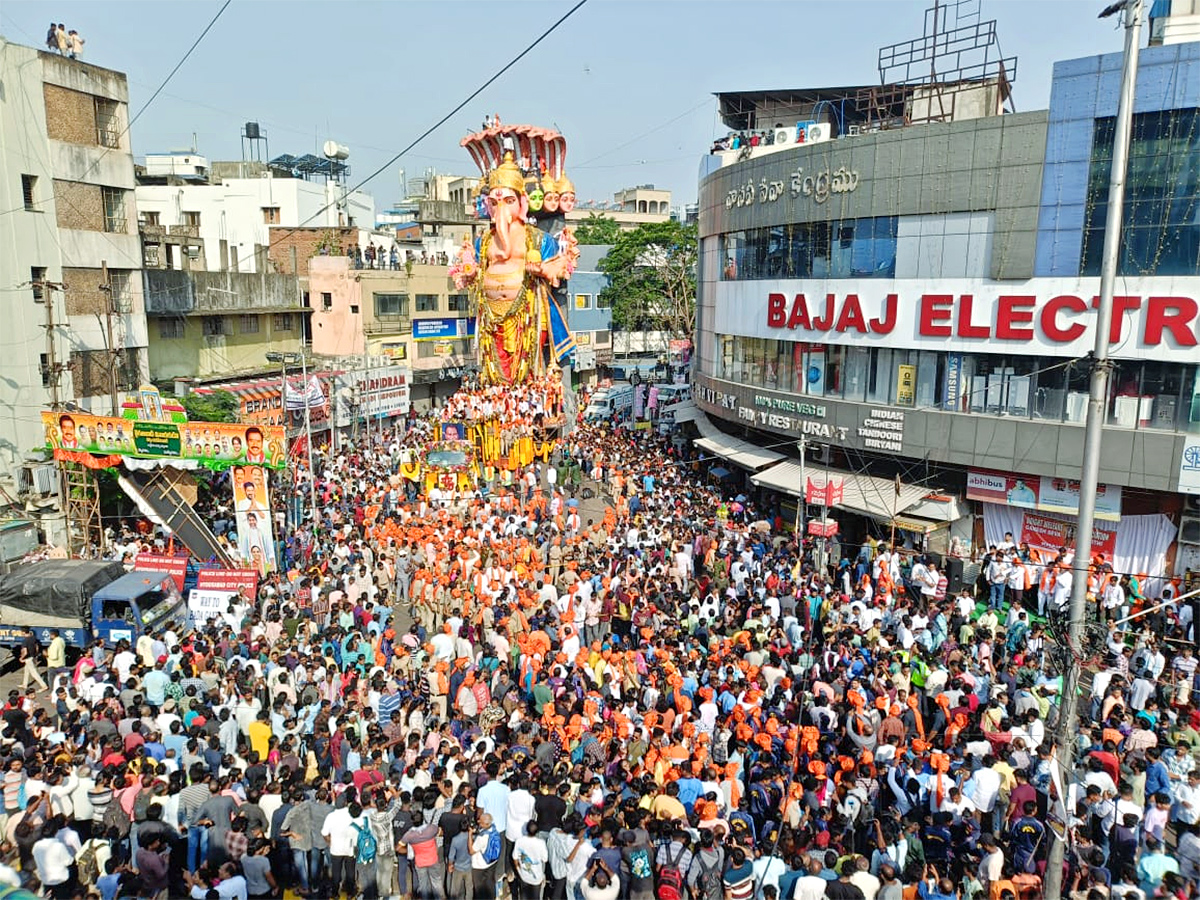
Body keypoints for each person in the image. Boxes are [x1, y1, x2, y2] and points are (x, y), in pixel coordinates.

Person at [19, 627, 48, 692]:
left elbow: (25, 652)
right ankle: (24, 684)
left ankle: (44, 686)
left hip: (28, 658)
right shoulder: (33, 638)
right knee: (26, 670)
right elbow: (37, 647)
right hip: (33, 657)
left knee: (34, 673)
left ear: (23, 632)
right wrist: (35, 655)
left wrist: (21, 658)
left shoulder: (25, 641)